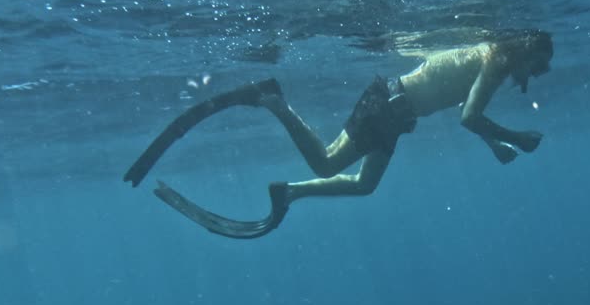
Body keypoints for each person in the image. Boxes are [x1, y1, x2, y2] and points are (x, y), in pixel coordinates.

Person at [123, 29, 553, 239]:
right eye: (538, 66)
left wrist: (496, 142)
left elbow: (466, 106)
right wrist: (514, 137)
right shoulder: (495, 62)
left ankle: (289, 192)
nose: (534, 76)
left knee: (365, 185)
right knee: (327, 163)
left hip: (396, 112)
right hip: (388, 106)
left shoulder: (491, 59)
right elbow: (469, 117)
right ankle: (274, 102)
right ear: (528, 52)